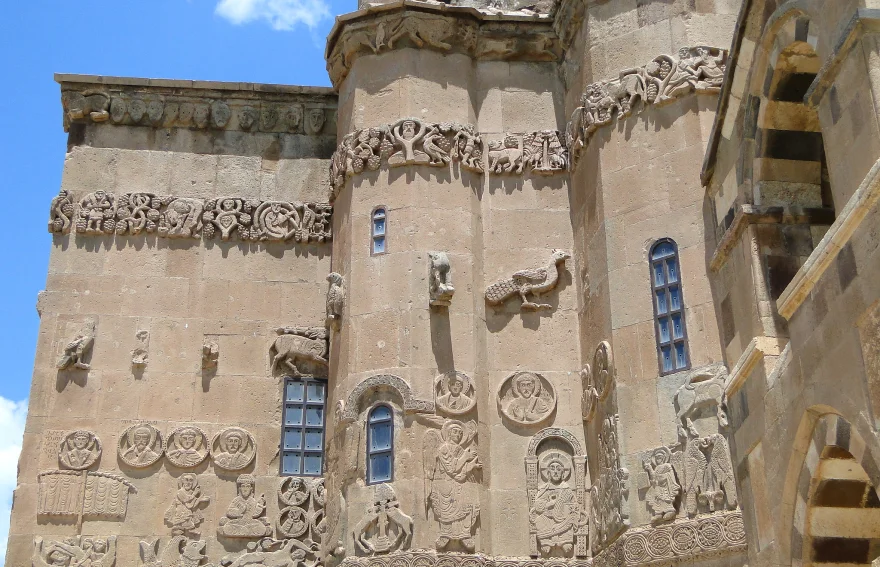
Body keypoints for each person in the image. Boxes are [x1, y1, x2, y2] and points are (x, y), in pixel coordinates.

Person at [428, 421, 481, 551]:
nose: (457, 434)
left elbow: (462, 471)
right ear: (448, 434)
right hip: (446, 483)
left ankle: (465, 534)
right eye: (455, 431)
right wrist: (465, 457)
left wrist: (472, 464)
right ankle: (445, 534)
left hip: (460, 482)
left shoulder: (461, 450)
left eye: (460, 433)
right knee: (446, 508)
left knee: (467, 504)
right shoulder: (444, 449)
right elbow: (452, 468)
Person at [530, 453, 581, 555]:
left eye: (558, 469)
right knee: (540, 520)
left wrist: (565, 508)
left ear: (563, 473)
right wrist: (549, 504)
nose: (555, 472)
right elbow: (538, 505)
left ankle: (565, 541)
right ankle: (546, 541)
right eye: (552, 469)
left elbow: (574, 505)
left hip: (563, 518)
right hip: (547, 516)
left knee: (570, 520)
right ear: (548, 473)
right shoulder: (545, 488)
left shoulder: (566, 488)